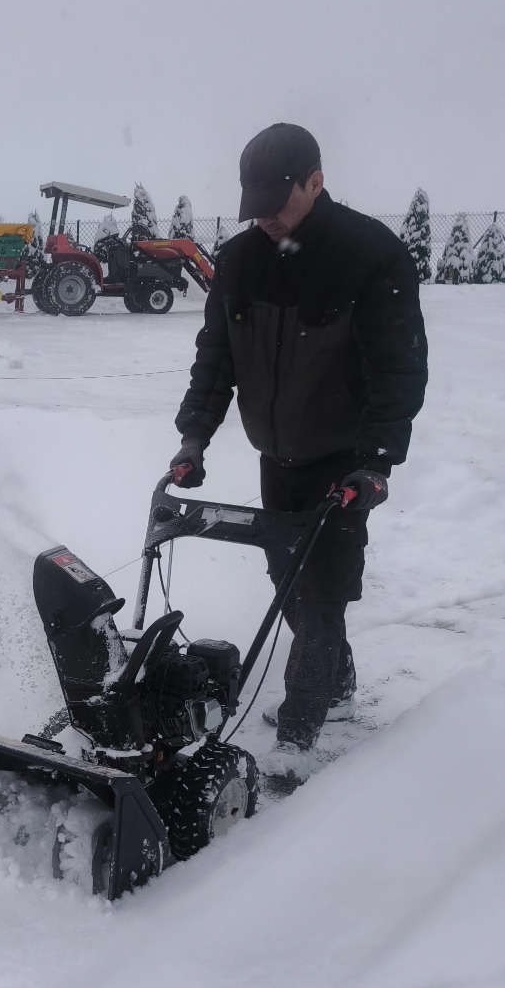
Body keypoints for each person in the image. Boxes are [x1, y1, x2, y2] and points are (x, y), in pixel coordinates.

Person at [169, 124, 428, 767]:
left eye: (275, 203)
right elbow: (217, 357)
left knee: (321, 596)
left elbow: (397, 369)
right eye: (252, 204)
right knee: (289, 581)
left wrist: (377, 461)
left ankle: (295, 746)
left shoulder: (369, 255)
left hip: (342, 461)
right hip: (276, 457)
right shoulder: (239, 260)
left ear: (315, 181)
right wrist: (194, 438)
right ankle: (335, 681)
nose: (263, 218)